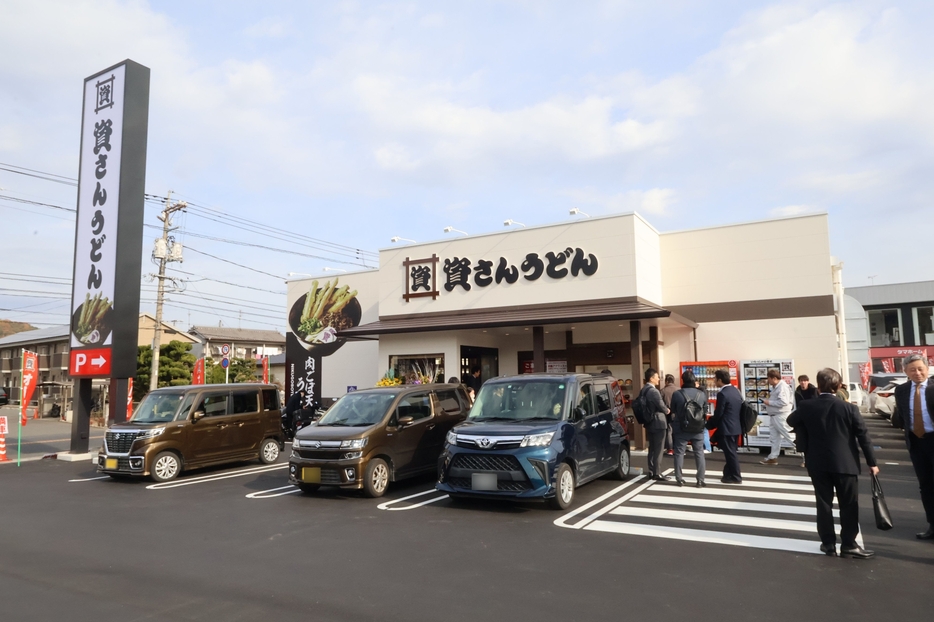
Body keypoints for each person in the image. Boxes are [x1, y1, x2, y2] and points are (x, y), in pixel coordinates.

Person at [787, 368, 878, 558]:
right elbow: (863, 436)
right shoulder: (848, 408)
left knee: (823, 503)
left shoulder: (807, 406)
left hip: (817, 462)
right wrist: (872, 462)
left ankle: (828, 543)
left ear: (818, 386)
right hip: (845, 463)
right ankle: (849, 544)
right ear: (838, 386)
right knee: (848, 504)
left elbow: (790, 420)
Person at [894, 354, 934, 540]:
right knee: (925, 486)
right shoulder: (901, 391)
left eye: (920, 368)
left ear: (927, 368)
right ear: (905, 372)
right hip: (917, 443)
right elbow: (901, 417)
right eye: (913, 370)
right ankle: (932, 525)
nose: (917, 373)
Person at [670, 370, 707, 487]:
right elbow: (705, 410)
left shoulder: (677, 394)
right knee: (699, 453)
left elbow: (673, 410)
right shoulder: (701, 394)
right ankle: (700, 480)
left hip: (681, 427)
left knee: (679, 453)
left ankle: (679, 478)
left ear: (683, 380)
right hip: (698, 428)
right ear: (694, 380)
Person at [711, 369, 743, 484]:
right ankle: (728, 474)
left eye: (715, 379)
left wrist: (710, 424)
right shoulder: (735, 391)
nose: (714, 381)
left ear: (720, 380)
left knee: (730, 453)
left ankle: (736, 476)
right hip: (736, 426)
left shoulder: (722, 394)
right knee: (731, 451)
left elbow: (719, 413)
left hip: (726, 427)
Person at [639, 368, 670, 481]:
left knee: (652, 448)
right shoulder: (654, 391)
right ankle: (657, 472)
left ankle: (652, 471)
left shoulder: (643, 390)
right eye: (657, 377)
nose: (659, 379)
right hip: (658, 422)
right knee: (658, 448)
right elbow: (661, 406)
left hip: (649, 421)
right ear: (651, 378)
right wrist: (667, 410)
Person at [760, 369, 795, 465]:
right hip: (775, 416)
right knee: (774, 438)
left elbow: (784, 402)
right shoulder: (777, 386)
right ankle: (773, 457)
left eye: (769, 379)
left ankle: (807, 457)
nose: (768, 381)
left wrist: (769, 402)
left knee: (790, 436)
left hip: (781, 416)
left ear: (774, 378)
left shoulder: (782, 387)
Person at [661, 374, 677, 456]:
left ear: (666, 381)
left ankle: (670, 449)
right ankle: (678, 448)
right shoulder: (678, 390)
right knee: (677, 431)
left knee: (669, 431)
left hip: (668, 413)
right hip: (677, 414)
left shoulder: (663, 391)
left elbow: (660, 403)